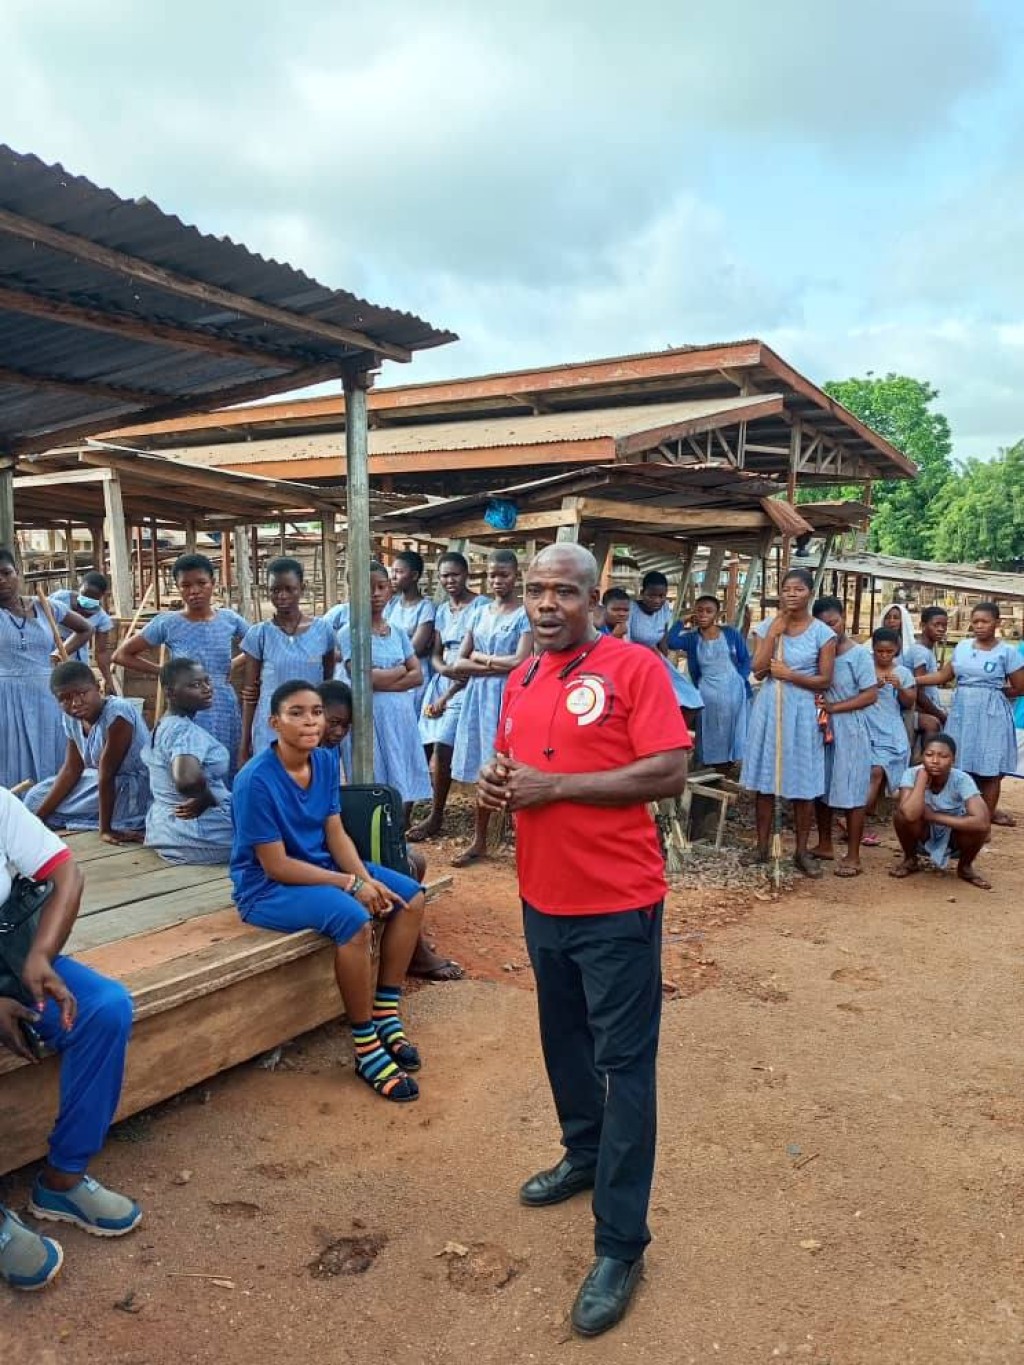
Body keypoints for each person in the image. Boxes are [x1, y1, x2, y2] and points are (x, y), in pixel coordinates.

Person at [477, 543, 691, 1338]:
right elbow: (515, 764)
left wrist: (556, 786)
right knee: (562, 1038)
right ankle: (584, 1151)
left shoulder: (635, 667)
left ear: (593, 600)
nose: (546, 604)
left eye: (564, 591)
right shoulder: (522, 676)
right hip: (543, 895)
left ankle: (620, 1244)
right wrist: (496, 781)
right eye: (536, 590)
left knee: (624, 1064)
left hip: (617, 902)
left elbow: (668, 770)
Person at [230, 681, 425, 1102]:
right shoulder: (255, 781)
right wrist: (351, 884)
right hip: (267, 889)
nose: (310, 722)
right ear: (274, 722)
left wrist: (366, 879)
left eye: (316, 712)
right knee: (353, 920)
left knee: (411, 897)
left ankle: (385, 1011)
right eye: (296, 713)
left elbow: (335, 833)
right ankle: (366, 1047)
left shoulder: (324, 759)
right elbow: (276, 865)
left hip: (323, 867)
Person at [0, 790, 140, 1292]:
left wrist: (40, 957)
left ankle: (63, 1179)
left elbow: (66, 873)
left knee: (103, 1009)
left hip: (12, 955)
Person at [318, 680, 462, 983]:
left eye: (345, 726)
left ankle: (404, 941)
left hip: (336, 843)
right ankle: (415, 953)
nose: (339, 732)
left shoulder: (327, 754)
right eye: (333, 722)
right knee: (404, 865)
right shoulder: (301, 758)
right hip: (319, 855)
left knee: (415, 861)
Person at [113, 553, 248, 782]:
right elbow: (121, 655)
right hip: (188, 706)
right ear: (178, 588)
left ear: (213, 583)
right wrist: (167, 673)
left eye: (201, 583)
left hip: (223, 704)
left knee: (226, 761)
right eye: (186, 585)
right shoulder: (168, 623)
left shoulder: (229, 620)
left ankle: (224, 804)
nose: (194, 591)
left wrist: (232, 664)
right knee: (190, 762)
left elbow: (257, 645)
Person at [740, 567, 836, 877]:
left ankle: (801, 851)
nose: (792, 594)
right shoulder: (769, 626)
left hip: (802, 709)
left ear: (810, 593)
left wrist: (791, 675)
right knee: (766, 779)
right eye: (787, 589)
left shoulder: (823, 633)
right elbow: (757, 670)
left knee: (802, 781)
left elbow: (825, 680)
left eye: (799, 589)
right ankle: (761, 847)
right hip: (771, 706)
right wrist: (773, 634)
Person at [450, 549, 532, 866]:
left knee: (511, 766)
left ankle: (523, 843)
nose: (498, 581)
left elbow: (520, 662)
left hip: (509, 696)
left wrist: (481, 659)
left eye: (504, 575)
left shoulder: (524, 614)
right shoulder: (479, 612)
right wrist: (495, 664)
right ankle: (480, 841)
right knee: (482, 768)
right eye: (492, 575)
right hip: (479, 698)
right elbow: (459, 662)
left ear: (516, 576)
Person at [336, 562, 432, 817]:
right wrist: (400, 670)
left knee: (399, 782)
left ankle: (395, 833)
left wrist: (386, 677)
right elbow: (366, 679)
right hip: (370, 719)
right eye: (368, 588)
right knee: (372, 782)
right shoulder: (350, 633)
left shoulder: (397, 632)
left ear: (390, 589)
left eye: (381, 587)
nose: (375, 594)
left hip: (399, 717)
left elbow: (418, 676)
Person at [916, 603, 1024, 822]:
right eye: (975, 622)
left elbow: (1020, 687)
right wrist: (912, 680)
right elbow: (943, 676)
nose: (979, 626)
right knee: (962, 764)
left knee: (990, 769)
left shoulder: (1007, 652)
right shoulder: (963, 647)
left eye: (985, 621)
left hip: (992, 715)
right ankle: (962, 815)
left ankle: (984, 821)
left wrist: (993, 694)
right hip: (963, 714)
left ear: (997, 623)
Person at [23, 662, 151, 843]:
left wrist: (105, 830)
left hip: (130, 788)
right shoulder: (72, 718)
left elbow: (107, 774)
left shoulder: (118, 714)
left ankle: (112, 822)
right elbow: (72, 768)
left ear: (98, 687)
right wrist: (38, 819)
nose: (75, 703)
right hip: (100, 780)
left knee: (55, 810)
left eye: (82, 693)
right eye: (65, 699)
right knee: (34, 799)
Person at [408, 552, 486, 843]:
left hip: (467, 681)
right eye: (444, 576)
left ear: (466, 575)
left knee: (443, 745)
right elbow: (436, 653)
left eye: (455, 574)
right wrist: (443, 670)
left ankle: (436, 814)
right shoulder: (442, 610)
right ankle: (406, 809)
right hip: (442, 679)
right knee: (422, 745)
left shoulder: (481, 607)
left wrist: (450, 687)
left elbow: (474, 653)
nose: (449, 580)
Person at [0, 547, 94, 789]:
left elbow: (85, 628)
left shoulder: (44, 606)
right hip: (6, 698)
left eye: (6, 573)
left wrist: (58, 653)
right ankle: (16, 806)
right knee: (11, 756)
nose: (2, 580)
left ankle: (49, 803)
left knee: (51, 750)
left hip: (47, 695)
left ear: (17, 573)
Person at [239, 557, 335, 762]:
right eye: (275, 590)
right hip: (271, 727)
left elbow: (328, 684)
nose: (282, 596)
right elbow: (250, 695)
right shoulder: (260, 634)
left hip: (310, 727)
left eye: (289, 589)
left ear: (302, 588)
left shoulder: (323, 631)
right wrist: (244, 744)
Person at [142, 658, 233, 865]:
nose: (207, 689)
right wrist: (207, 798)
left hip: (165, 831)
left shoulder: (164, 725)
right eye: (195, 685)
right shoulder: (183, 730)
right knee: (280, 831)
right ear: (170, 693)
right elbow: (187, 780)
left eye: (207, 681)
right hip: (201, 833)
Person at [810, 598, 877, 875]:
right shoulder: (816, 653)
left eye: (833, 623)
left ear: (844, 619)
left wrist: (835, 708)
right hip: (821, 726)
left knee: (853, 788)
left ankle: (853, 855)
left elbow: (870, 695)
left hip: (850, 727)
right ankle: (824, 843)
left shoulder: (858, 655)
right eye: (823, 626)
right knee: (820, 785)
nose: (830, 630)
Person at [890, 733, 992, 890]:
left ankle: (965, 867)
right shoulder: (912, 773)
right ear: (922, 756)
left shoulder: (962, 779)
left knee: (977, 827)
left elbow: (982, 822)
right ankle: (910, 859)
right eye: (929, 755)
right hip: (923, 833)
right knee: (901, 816)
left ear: (953, 760)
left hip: (954, 837)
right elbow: (909, 814)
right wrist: (921, 780)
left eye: (943, 756)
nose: (935, 761)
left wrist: (934, 816)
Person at [668, 595, 751, 768]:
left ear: (717, 614)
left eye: (709, 611)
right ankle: (705, 763)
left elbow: (745, 659)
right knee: (708, 728)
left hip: (733, 690)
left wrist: (740, 679)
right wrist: (681, 621)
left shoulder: (730, 633)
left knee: (731, 728)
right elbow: (670, 642)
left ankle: (728, 765)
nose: (703, 615)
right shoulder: (691, 638)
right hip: (707, 691)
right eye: (699, 611)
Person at [627, 571, 704, 718]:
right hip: (635, 662)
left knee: (691, 697)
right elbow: (625, 643)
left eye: (661, 596)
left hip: (656, 659)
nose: (657, 600)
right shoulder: (631, 610)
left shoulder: (664, 608)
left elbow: (663, 637)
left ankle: (677, 730)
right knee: (659, 702)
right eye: (651, 596)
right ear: (642, 593)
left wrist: (664, 664)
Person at [863, 628, 917, 820]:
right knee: (874, 771)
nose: (884, 655)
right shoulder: (864, 667)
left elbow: (909, 702)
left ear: (897, 650)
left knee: (878, 770)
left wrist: (899, 687)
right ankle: (861, 814)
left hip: (889, 728)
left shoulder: (903, 673)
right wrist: (871, 686)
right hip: (865, 724)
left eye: (889, 652)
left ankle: (862, 815)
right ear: (873, 648)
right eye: (880, 651)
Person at [384, 550, 436, 715]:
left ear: (414, 575)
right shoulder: (392, 605)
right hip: (393, 673)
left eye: (399, 572)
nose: (393, 577)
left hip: (415, 673)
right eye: (393, 572)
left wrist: (388, 653)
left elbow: (415, 649)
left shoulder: (425, 608)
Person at [49, 571, 116, 695]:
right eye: (85, 594)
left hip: (76, 661)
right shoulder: (59, 599)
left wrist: (109, 682)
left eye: (93, 597)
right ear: (80, 587)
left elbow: (101, 653)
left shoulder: (102, 619)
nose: (87, 599)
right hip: (50, 655)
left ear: (101, 597)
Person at [906, 606, 949, 748]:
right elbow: (919, 694)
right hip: (916, 710)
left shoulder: (927, 650)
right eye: (936, 625)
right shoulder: (921, 653)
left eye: (944, 625)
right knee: (933, 724)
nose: (941, 629)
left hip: (924, 707)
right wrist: (940, 715)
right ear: (923, 625)